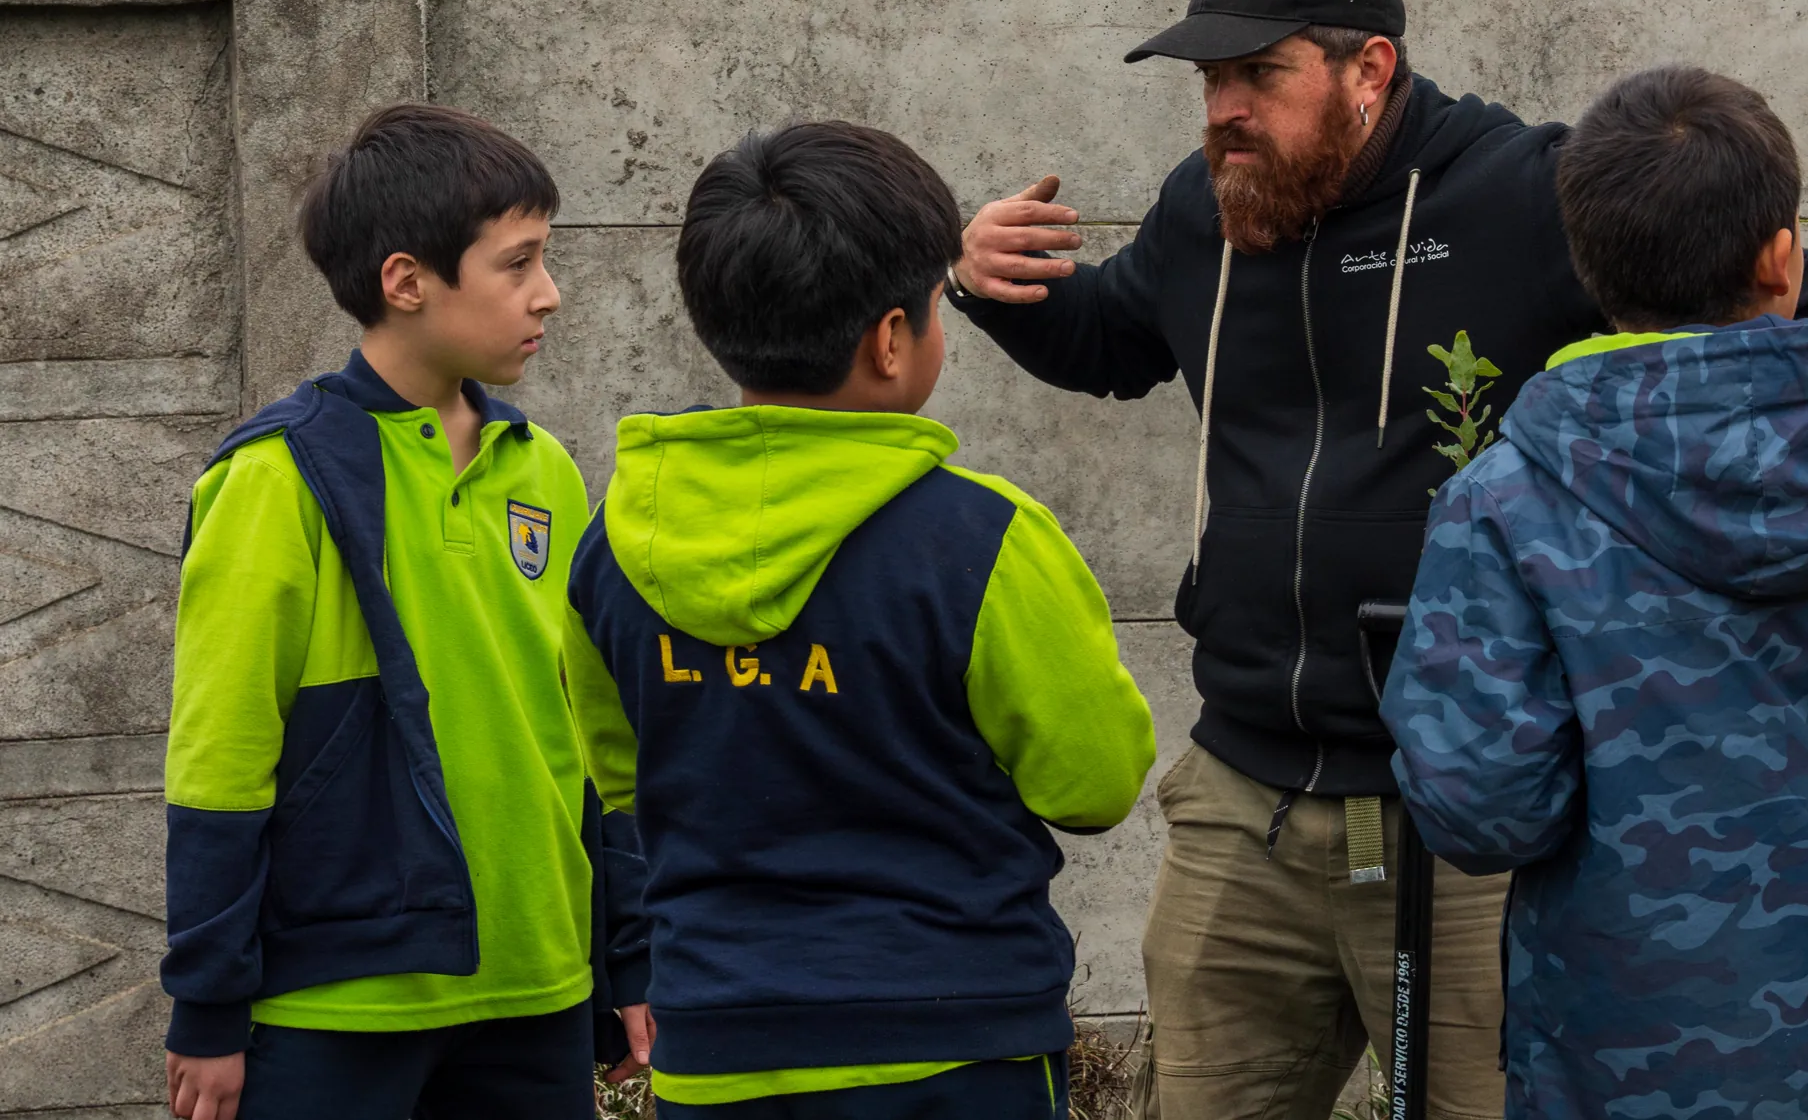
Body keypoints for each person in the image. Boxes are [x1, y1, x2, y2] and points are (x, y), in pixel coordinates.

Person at [946, 0, 1808, 1119]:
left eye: (1259, 74)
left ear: (1369, 68)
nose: (1224, 108)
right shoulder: (1207, 205)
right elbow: (1111, 339)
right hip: (1243, 794)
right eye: (1211, 79)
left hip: (1466, 832)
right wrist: (990, 286)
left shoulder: (1511, 189)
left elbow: (1762, 279)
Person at [1381, 65, 1808, 1117]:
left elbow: (1480, 801)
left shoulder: (1506, 495)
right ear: (1783, 257)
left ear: (1587, 262)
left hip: (1606, 1049)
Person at [560, 121, 1157, 1119]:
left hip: (717, 1043)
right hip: (956, 1047)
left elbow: (621, 776)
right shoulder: (983, 537)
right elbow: (1094, 781)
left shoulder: (614, 546)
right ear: (890, 337)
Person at [160, 104, 651, 1120]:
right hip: (338, 998)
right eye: (516, 263)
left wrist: (625, 954)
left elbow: (591, 740)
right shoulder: (277, 475)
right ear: (406, 280)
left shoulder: (545, 469)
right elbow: (220, 753)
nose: (548, 294)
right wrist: (208, 1002)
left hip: (540, 982)